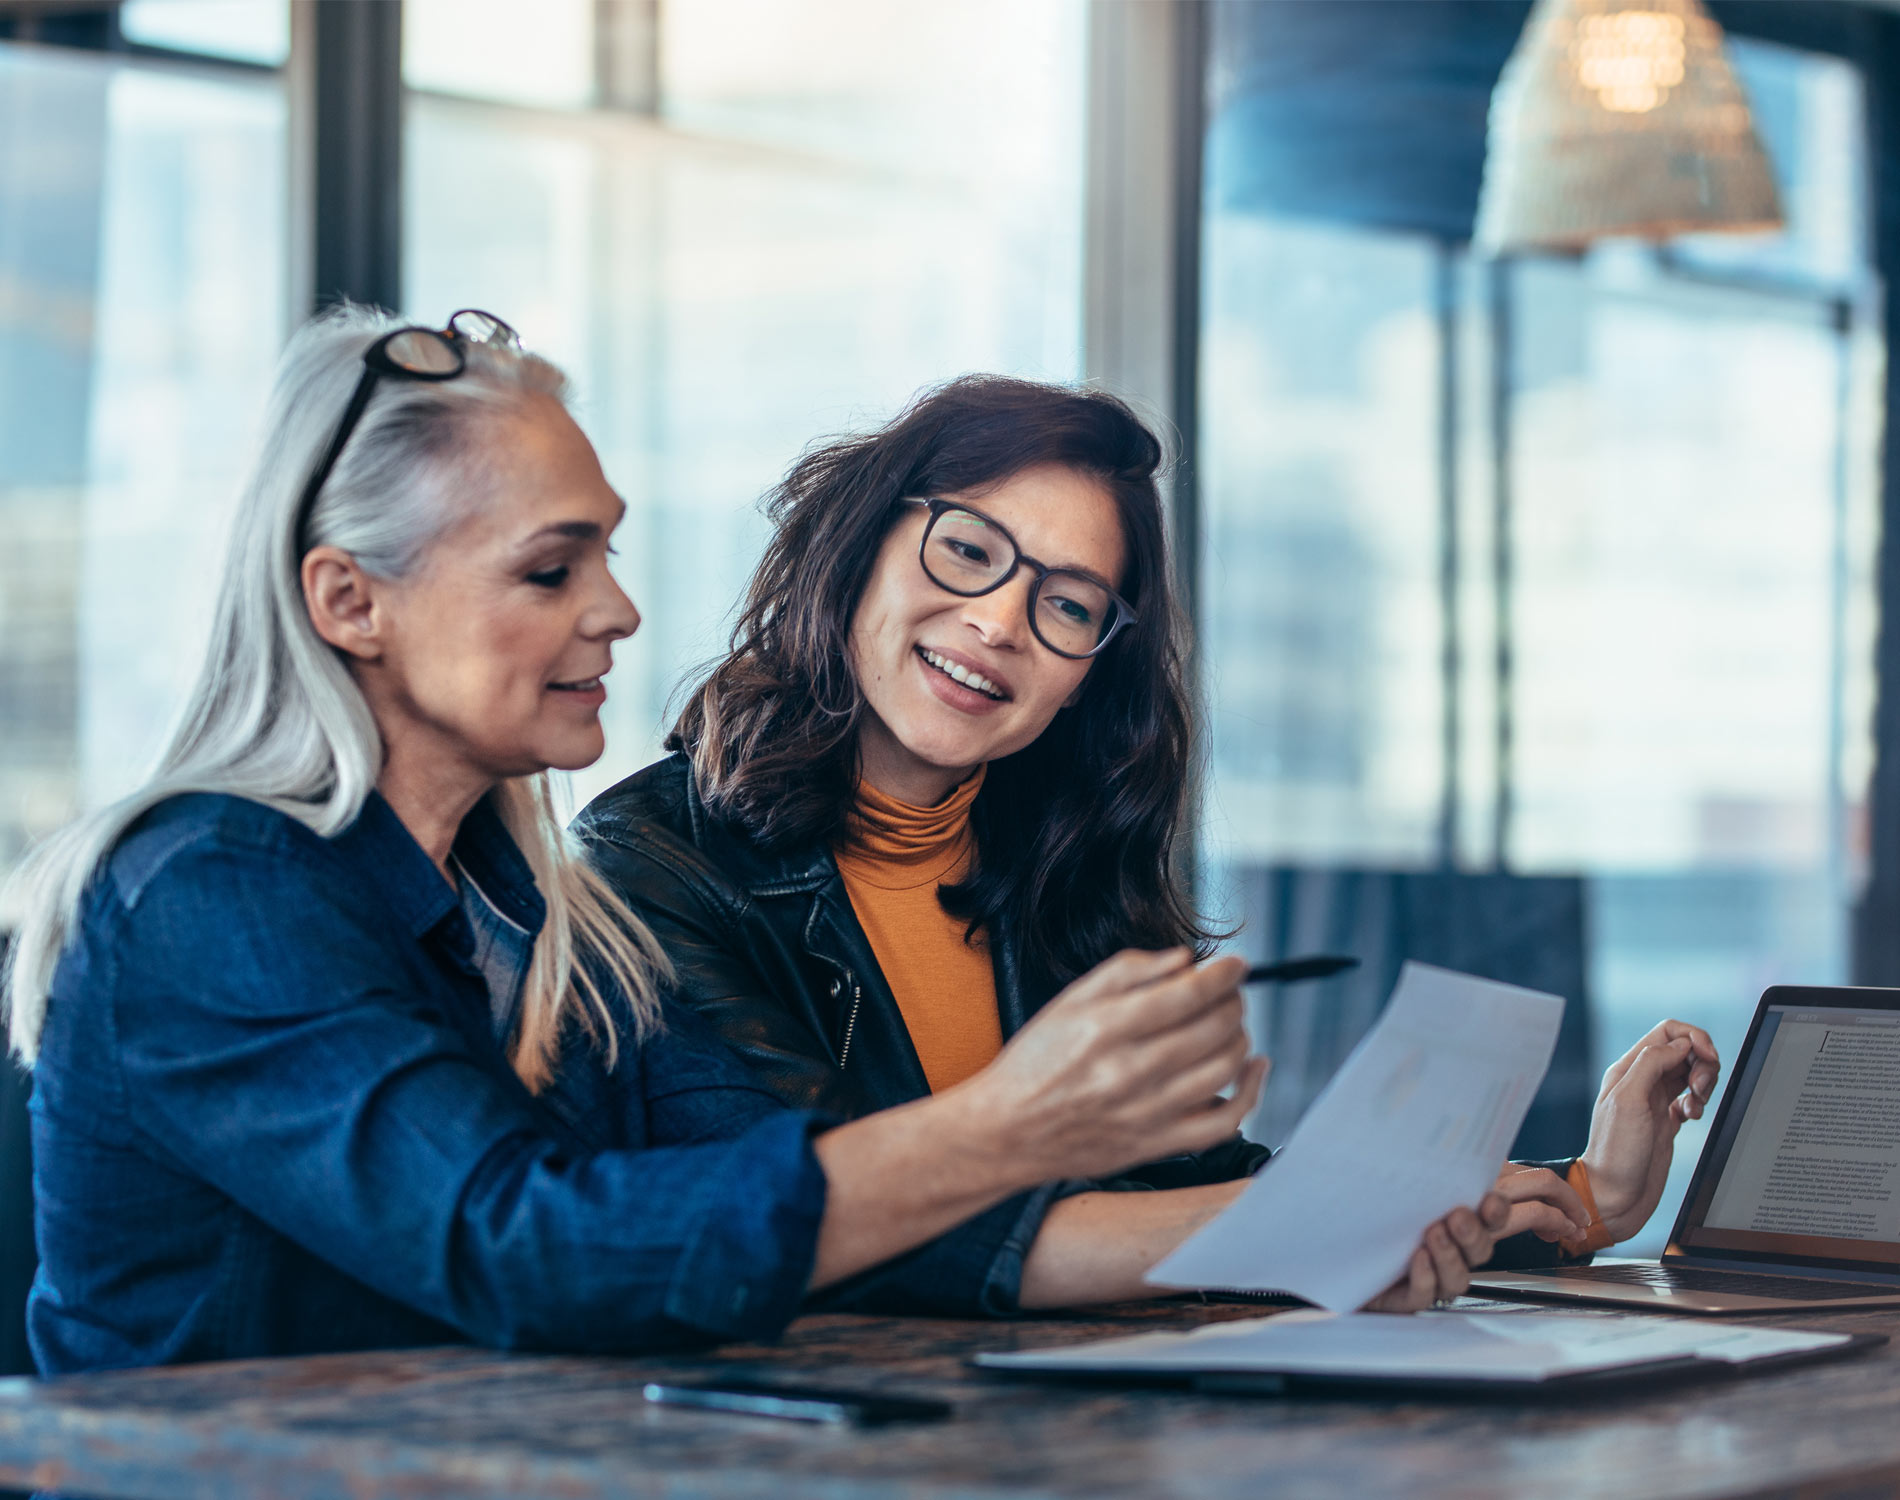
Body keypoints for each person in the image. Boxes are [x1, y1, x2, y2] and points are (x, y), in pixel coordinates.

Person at [2, 309, 1508, 1377]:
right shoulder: (208, 891)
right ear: (349, 603)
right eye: (551, 566)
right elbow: (530, 1250)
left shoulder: (526, 910)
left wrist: (1408, 1214)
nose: (618, 610)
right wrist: (1014, 1124)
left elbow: (754, 1205)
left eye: (606, 548)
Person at [575, 376, 1722, 1258]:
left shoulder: (1062, 860)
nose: (997, 622)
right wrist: (1320, 1232)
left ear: (1090, 668)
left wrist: (1582, 1195)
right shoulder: (645, 864)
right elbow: (824, 1219)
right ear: (859, 544)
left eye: (1065, 603)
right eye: (967, 549)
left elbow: (1185, 1189)